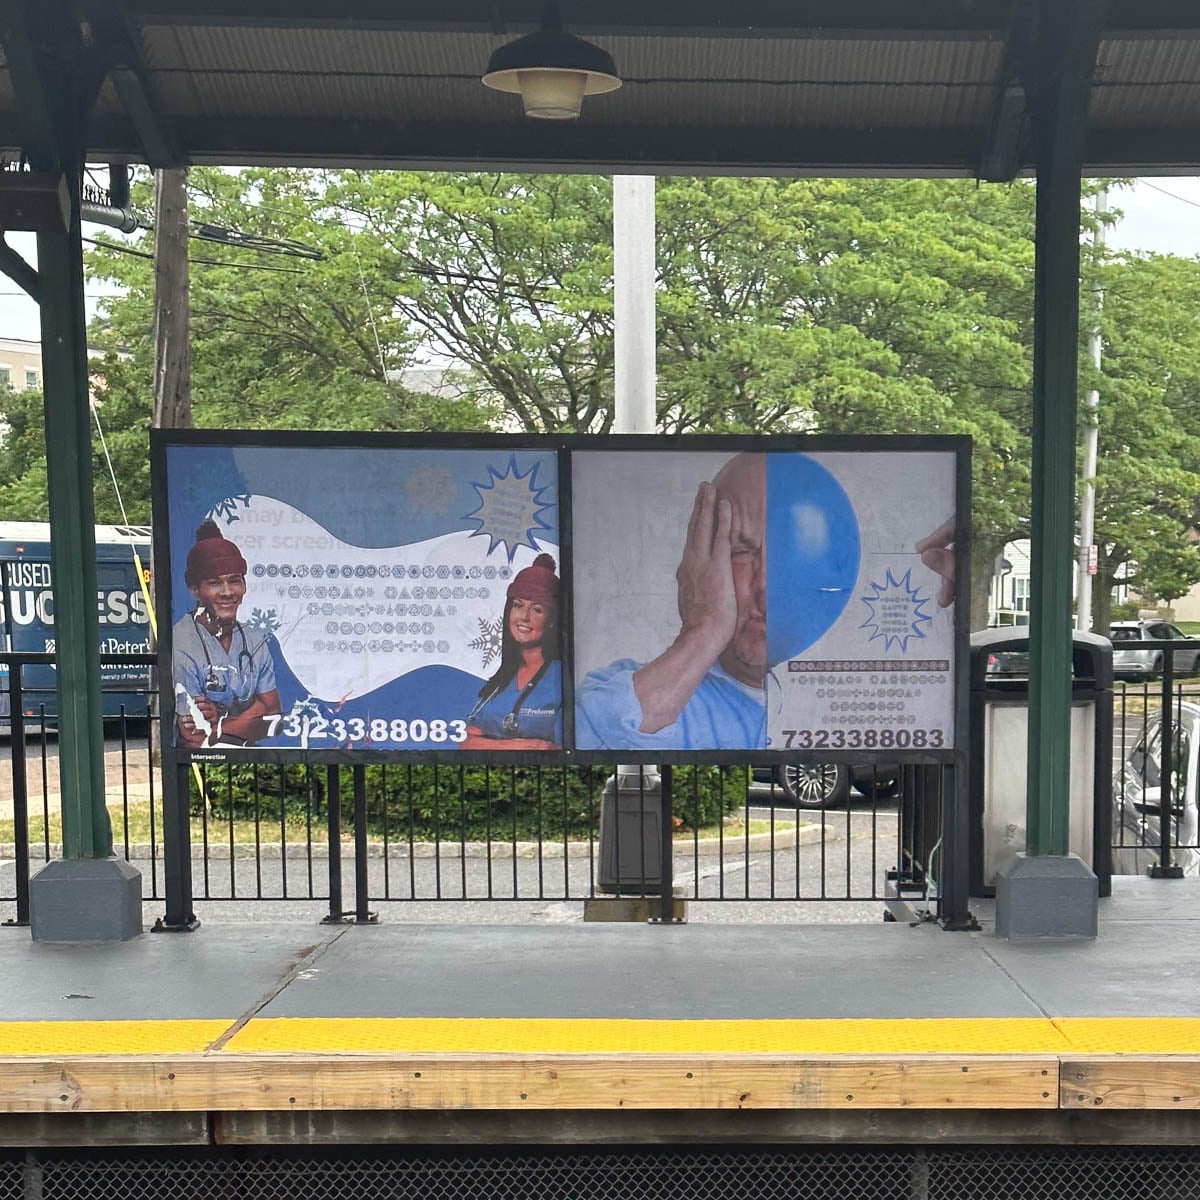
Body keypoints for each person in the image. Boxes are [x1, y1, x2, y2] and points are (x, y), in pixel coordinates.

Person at [576, 452, 767, 750]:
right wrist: (704, 629)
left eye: (790, 554)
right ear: (698, 566)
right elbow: (587, 736)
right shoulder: (620, 691)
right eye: (740, 552)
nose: (764, 584)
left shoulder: (848, 697)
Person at [172, 520, 281, 748]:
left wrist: (219, 725)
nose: (227, 592)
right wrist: (251, 715)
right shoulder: (182, 642)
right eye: (214, 583)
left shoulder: (254, 640)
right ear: (195, 589)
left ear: (244, 585)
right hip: (211, 763)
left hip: (248, 760)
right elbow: (193, 736)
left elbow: (273, 716)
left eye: (234, 581)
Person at [461, 553, 563, 750]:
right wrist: (525, 746)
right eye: (518, 606)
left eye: (537, 610)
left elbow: (566, 746)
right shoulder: (501, 680)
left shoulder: (560, 677)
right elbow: (468, 744)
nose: (524, 617)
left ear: (551, 621)